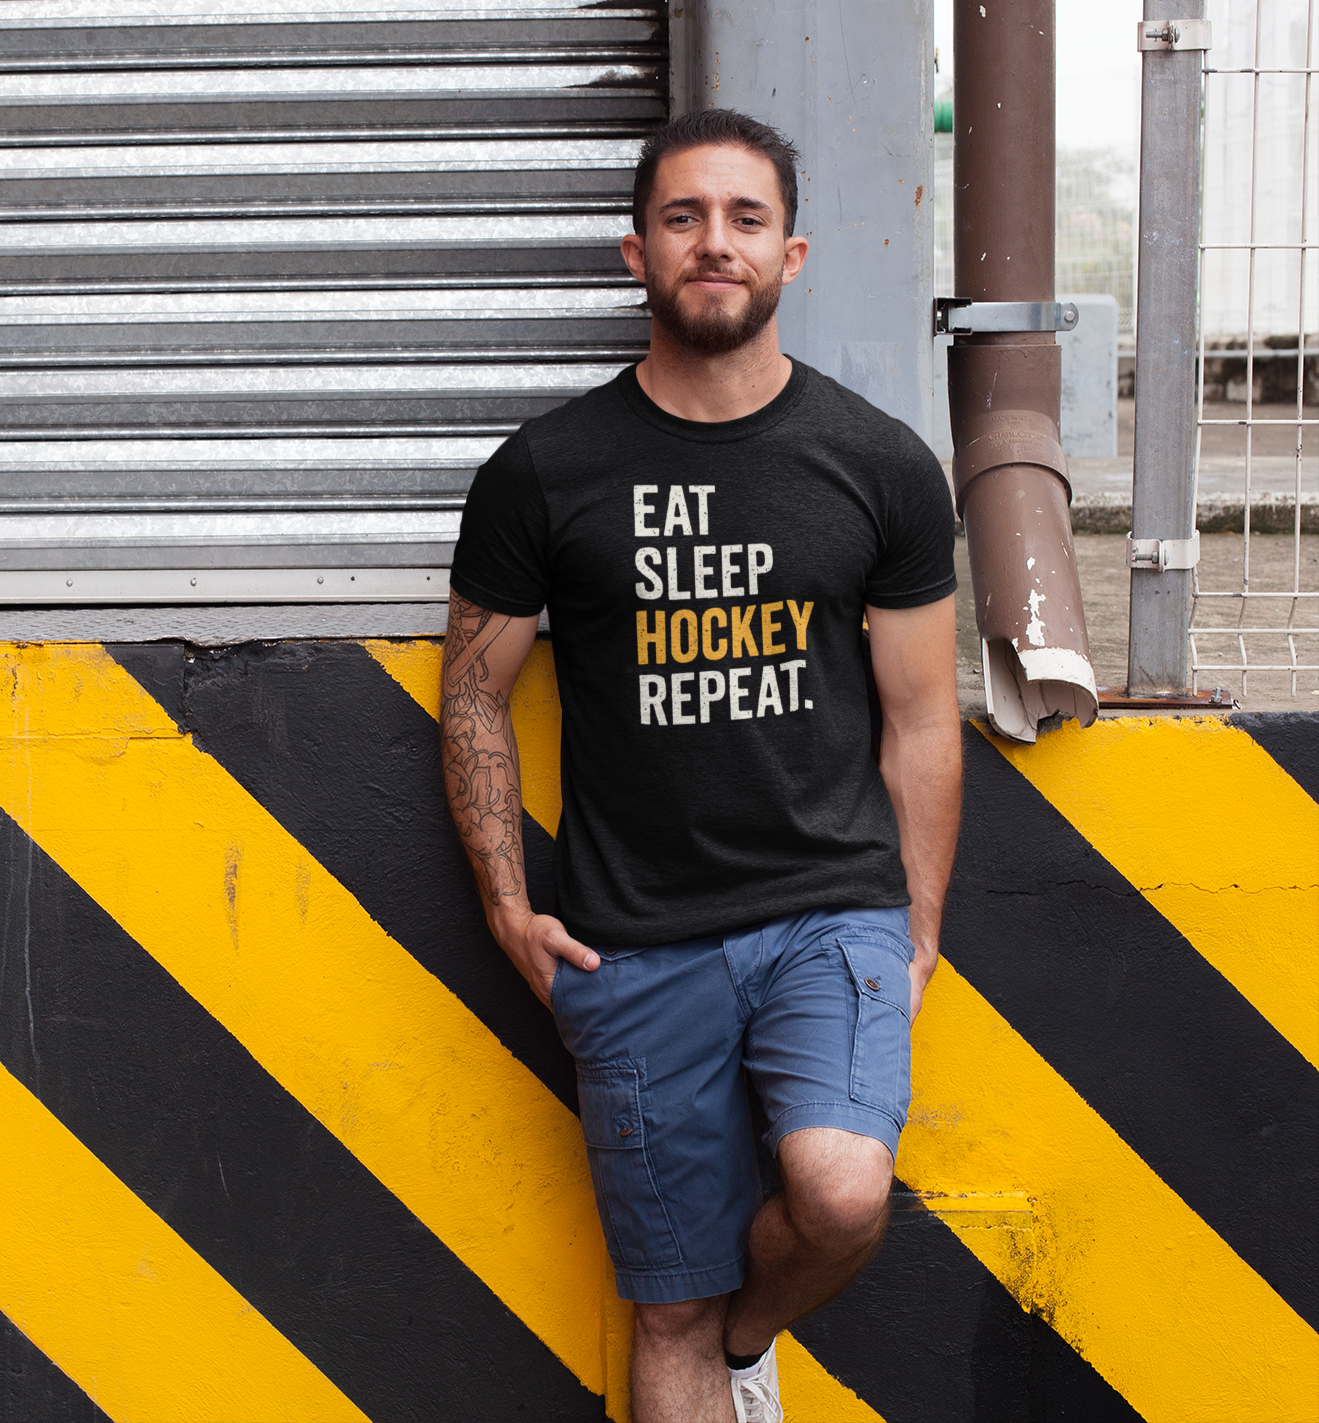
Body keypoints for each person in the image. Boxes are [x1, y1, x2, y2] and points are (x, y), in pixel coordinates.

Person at [440, 108, 962, 1423]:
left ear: (792, 255)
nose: (712, 242)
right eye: (682, 217)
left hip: (829, 908)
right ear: (638, 253)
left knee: (840, 1193)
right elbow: (474, 696)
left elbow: (920, 718)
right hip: (631, 940)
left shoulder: (880, 466)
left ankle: (747, 1334)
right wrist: (505, 905)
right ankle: (712, 1335)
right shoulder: (542, 472)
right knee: (661, 1309)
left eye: (743, 218)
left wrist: (917, 927)